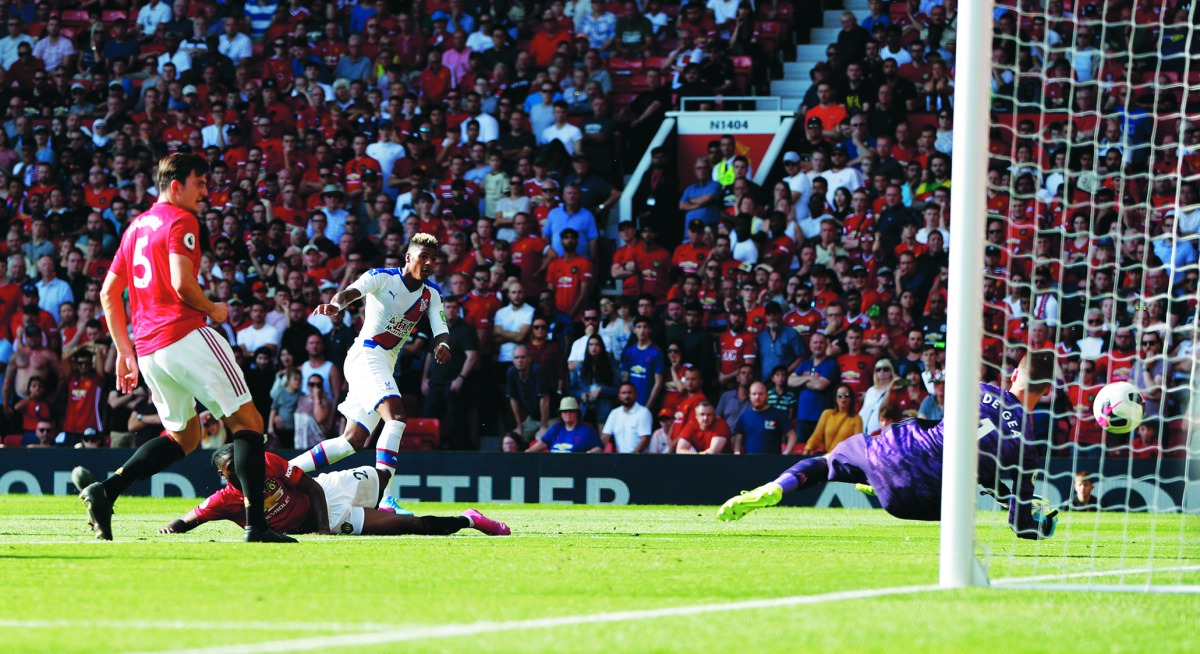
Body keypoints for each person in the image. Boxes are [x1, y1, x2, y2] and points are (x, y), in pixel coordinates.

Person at [79, 153, 293, 543]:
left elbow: (109, 293)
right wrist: (213, 308)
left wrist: (125, 351)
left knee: (185, 437)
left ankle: (106, 491)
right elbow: (182, 284)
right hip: (184, 335)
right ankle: (257, 526)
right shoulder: (181, 219)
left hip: (149, 351)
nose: (206, 193)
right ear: (176, 186)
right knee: (248, 422)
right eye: (200, 184)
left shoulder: (135, 227)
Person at [718, 351, 1061, 541]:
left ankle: (777, 487)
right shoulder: (1028, 446)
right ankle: (880, 482)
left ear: (1013, 375)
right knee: (971, 486)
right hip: (916, 499)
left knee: (826, 462)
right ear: (1046, 391)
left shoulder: (978, 389)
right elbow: (1020, 526)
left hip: (895, 450)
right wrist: (1042, 526)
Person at [292, 233, 451, 512]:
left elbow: (441, 328)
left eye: (433, 259)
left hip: (384, 363)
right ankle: (385, 497)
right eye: (423, 256)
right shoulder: (382, 277)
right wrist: (336, 305)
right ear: (408, 257)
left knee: (352, 441)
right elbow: (350, 292)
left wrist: (444, 345)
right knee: (396, 418)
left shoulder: (432, 294)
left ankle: (284, 470)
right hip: (366, 354)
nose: (428, 263)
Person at [153, 445, 509, 537]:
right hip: (334, 519)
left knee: (384, 474)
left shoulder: (268, 462)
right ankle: (470, 520)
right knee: (411, 526)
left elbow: (310, 486)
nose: (244, 470)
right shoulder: (224, 500)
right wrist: (171, 528)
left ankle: (384, 499)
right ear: (222, 475)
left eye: (243, 463)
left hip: (326, 494)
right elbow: (189, 520)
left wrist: (322, 528)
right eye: (233, 469)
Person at [732, 382, 797, 455]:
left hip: (773, 461)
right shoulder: (744, 416)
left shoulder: (778, 414)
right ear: (749, 396)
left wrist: (786, 454)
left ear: (767, 396)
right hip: (749, 460)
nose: (757, 397)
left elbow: (792, 436)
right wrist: (737, 453)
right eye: (754, 394)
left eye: (760, 394)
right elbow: (738, 438)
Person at [803, 383, 863, 455]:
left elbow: (857, 443)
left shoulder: (857, 418)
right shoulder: (827, 414)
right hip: (828, 456)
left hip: (845, 458)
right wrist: (808, 449)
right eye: (840, 395)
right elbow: (817, 435)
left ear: (851, 398)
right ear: (835, 398)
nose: (843, 398)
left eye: (847, 395)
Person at [527, 397, 603, 453]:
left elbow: (598, 448)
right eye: (564, 411)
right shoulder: (556, 428)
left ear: (577, 413)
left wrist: (589, 455)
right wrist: (528, 452)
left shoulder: (587, 430)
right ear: (561, 414)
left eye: (571, 411)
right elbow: (543, 443)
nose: (568, 414)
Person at [601, 382, 654, 453]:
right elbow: (605, 436)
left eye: (630, 393)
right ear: (619, 396)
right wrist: (597, 450)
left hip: (640, 457)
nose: (627, 396)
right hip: (621, 457)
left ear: (636, 395)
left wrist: (631, 457)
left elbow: (645, 440)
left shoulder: (644, 412)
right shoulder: (614, 413)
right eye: (624, 393)